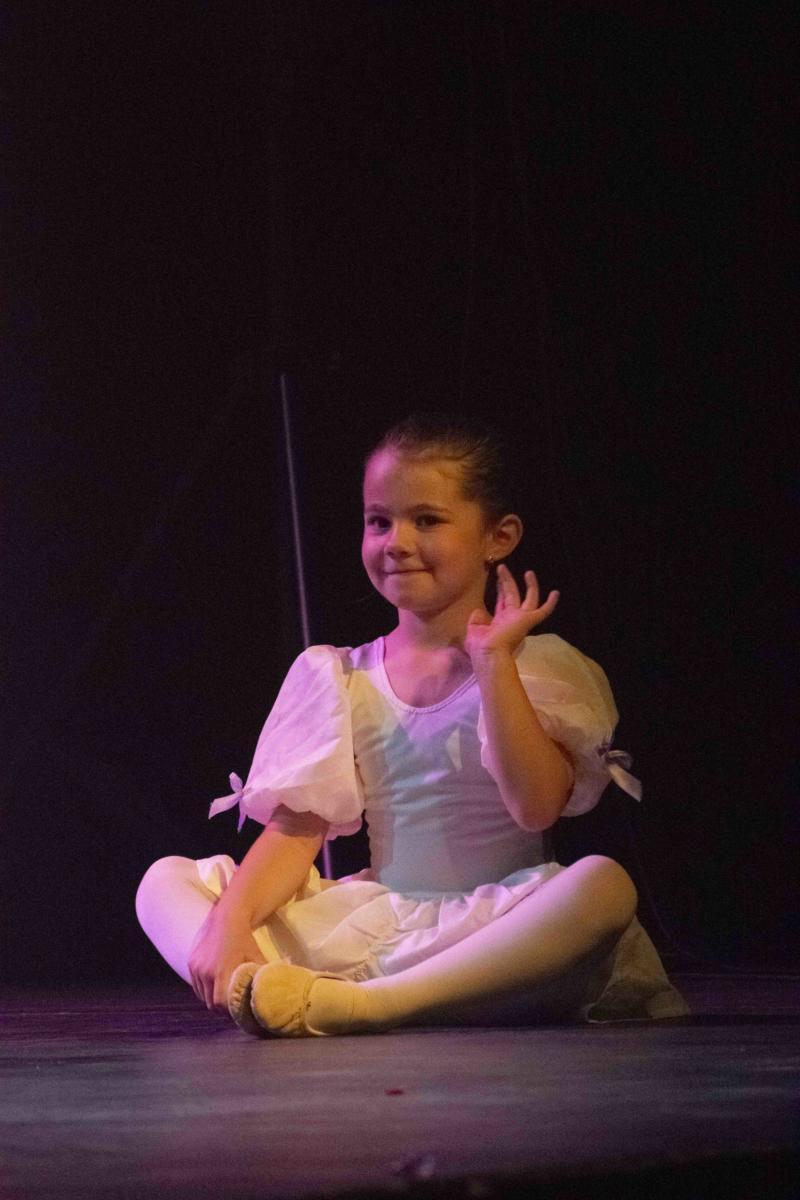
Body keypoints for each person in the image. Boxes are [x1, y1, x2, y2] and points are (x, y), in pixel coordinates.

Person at [136, 413, 687, 1037]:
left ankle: (370, 1006)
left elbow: (536, 807)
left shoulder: (539, 666)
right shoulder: (340, 674)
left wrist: (494, 663)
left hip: (499, 940)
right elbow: (296, 833)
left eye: (426, 520)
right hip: (382, 929)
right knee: (163, 881)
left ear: (498, 537)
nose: (396, 541)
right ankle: (267, 990)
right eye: (379, 521)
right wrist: (230, 922)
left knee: (605, 886)